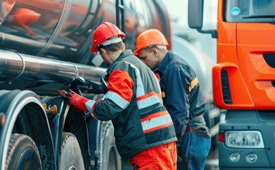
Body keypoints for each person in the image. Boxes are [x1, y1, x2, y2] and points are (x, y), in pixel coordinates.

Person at [57, 22, 178, 169]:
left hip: (148, 145)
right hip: (162, 141)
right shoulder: (142, 67)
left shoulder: (122, 68)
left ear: (104, 52)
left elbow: (107, 110)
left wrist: (77, 100)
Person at [134, 29, 211, 170]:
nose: (144, 63)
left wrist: (171, 143)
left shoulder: (174, 69)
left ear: (155, 51)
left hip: (189, 136)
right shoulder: (169, 68)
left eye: (144, 58)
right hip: (191, 135)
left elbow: (179, 112)